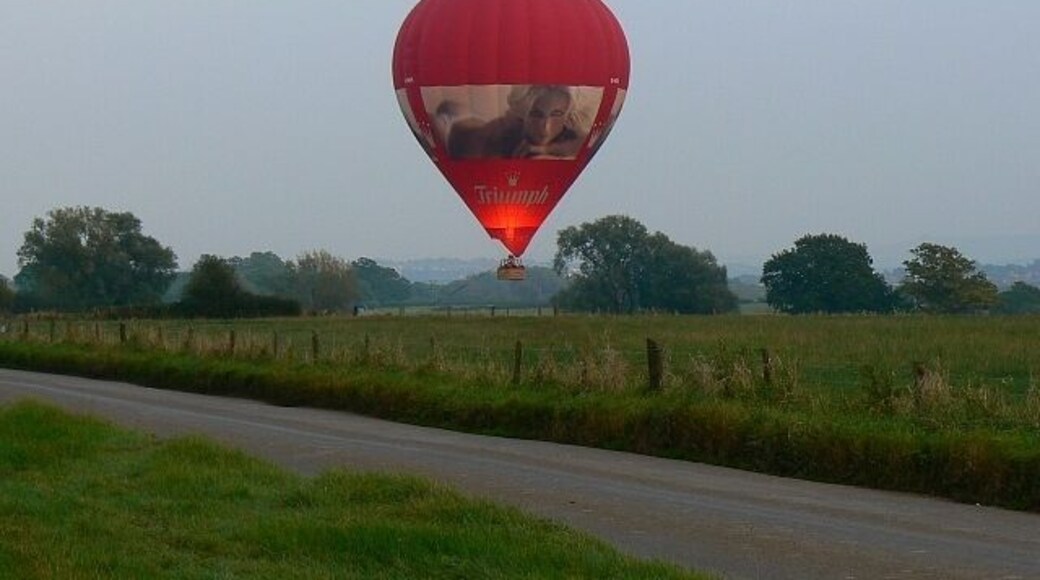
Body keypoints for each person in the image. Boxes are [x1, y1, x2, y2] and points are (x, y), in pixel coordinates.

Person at [439, 85, 589, 160]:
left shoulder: (566, 135)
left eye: (556, 115)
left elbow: (585, 141)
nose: (546, 126)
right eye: (537, 115)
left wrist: (546, 150)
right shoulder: (505, 133)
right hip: (452, 128)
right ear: (524, 115)